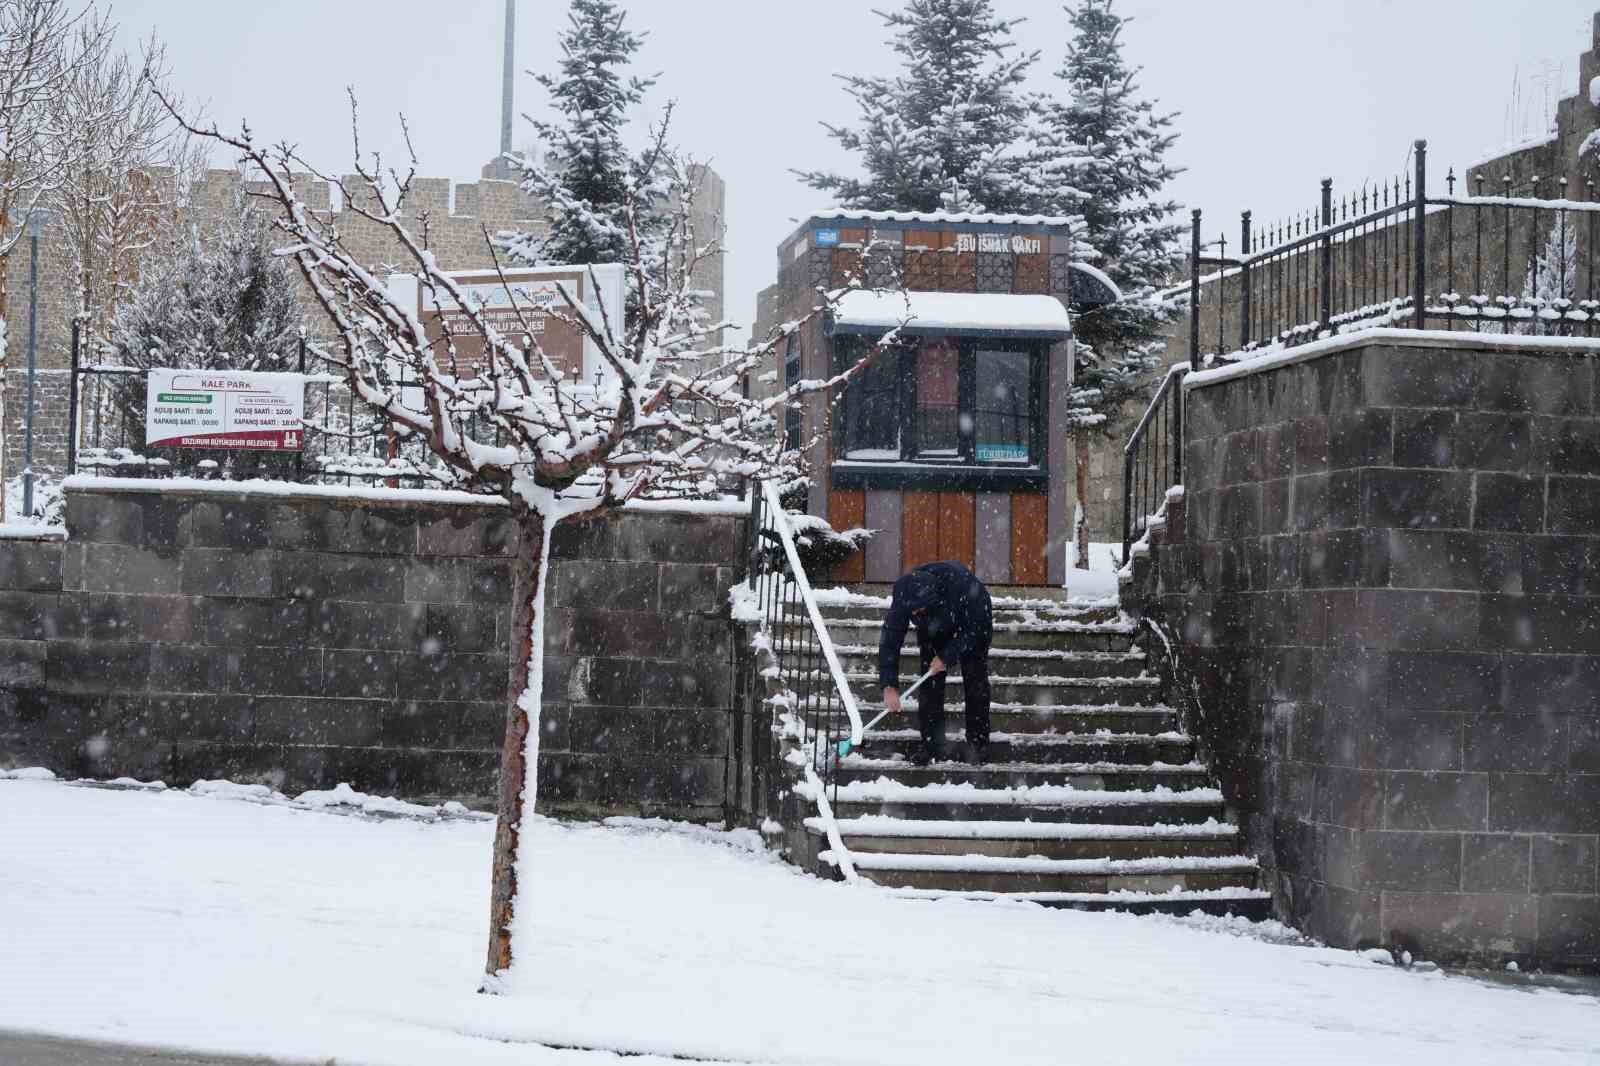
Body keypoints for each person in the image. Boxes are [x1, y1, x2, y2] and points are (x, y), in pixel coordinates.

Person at [877, 560, 994, 766]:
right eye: (911, 612)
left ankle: (978, 746)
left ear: (931, 600)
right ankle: (933, 746)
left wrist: (948, 656)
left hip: (971, 621)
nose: (913, 615)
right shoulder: (905, 594)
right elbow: (890, 638)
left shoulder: (965, 590)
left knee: (975, 680)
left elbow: (976, 631)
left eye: (917, 610)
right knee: (929, 680)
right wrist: (889, 685)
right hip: (933, 625)